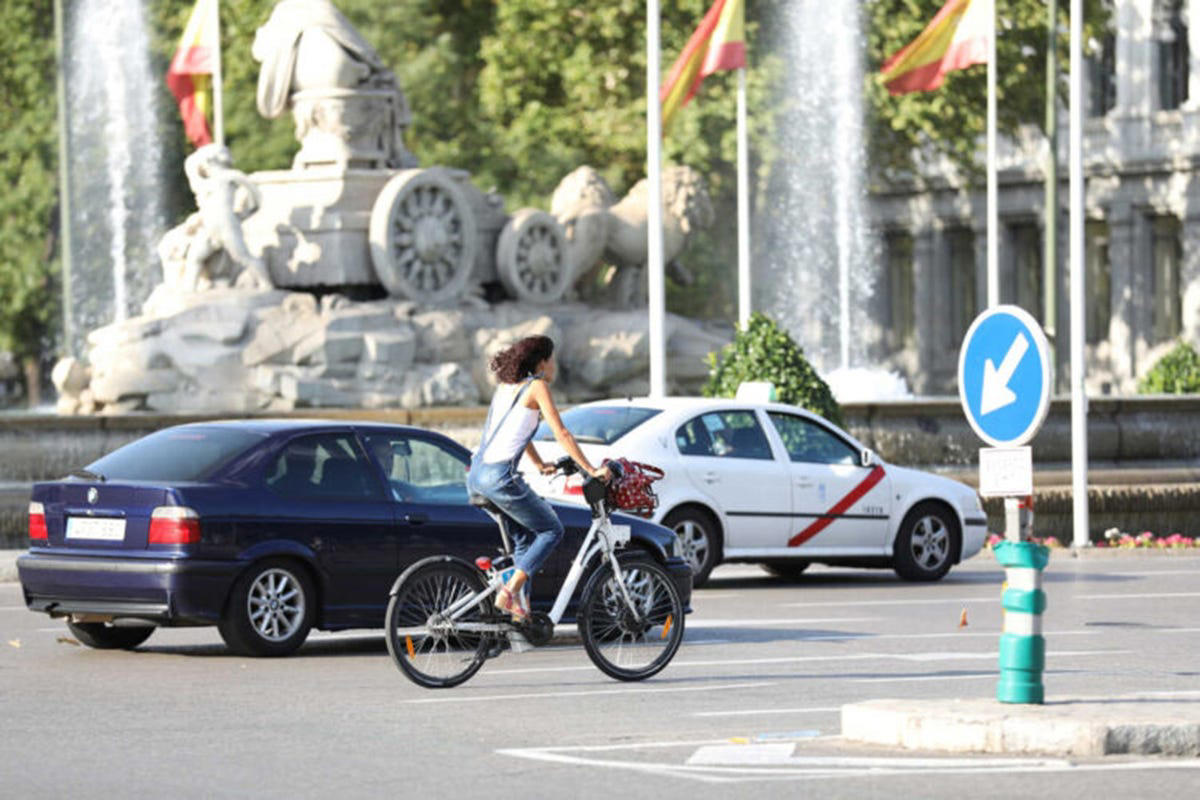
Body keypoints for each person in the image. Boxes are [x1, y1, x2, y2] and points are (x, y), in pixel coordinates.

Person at [467, 335, 608, 621]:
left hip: (477, 475)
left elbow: (515, 431)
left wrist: (539, 463)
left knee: (525, 541)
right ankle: (508, 593)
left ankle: (521, 614)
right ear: (542, 362)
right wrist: (591, 470)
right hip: (500, 478)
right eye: (552, 359)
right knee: (552, 530)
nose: (554, 365)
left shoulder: (506, 387)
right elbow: (562, 433)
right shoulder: (537, 387)